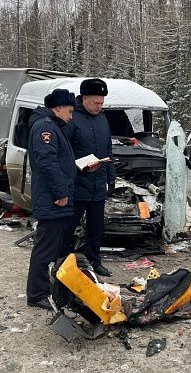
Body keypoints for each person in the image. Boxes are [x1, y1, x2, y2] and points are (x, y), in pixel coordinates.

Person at [26, 88, 77, 310]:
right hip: (51, 199)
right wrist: (61, 193)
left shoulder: (53, 125)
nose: (71, 115)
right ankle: (36, 294)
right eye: (70, 110)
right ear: (58, 107)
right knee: (45, 247)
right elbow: (47, 163)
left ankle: (46, 288)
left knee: (52, 246)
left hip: (53, 197)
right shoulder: (45, 127)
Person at [66, 78, 116, 277]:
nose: (99, 106)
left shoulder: (102, 119)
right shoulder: (72, 119)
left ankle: (95, 261)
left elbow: (108, 149)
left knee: (97, 227)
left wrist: (111, 176)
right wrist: (79, 167)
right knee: (69, 226)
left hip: (98, 184)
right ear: (84, 99)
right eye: (96, 103)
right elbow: (64, 152)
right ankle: (64, 261)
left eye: (102, 103)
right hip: (78, 184)